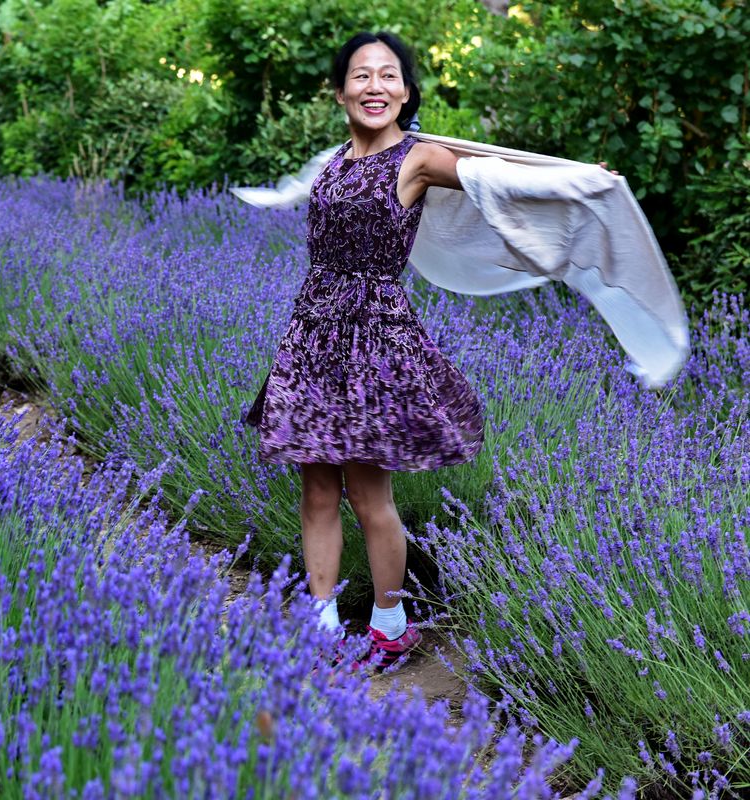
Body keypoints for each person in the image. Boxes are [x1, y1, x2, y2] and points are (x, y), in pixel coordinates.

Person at [243, 31, 485, 672]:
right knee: (317, 491)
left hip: (373, 341)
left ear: (406, 91)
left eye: (387, 76)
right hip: (312, 333)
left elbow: (499, 182)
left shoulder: (420, 157)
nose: (373, 86)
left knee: (368, 495)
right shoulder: (334, 160)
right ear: (341, 90)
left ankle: (389, 622)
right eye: (360, 76)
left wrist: (578, 183)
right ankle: (320, 624)